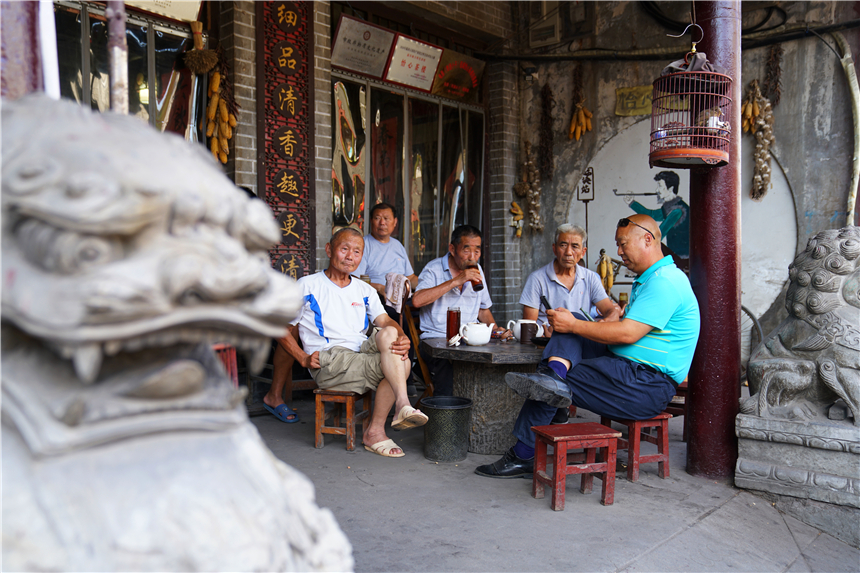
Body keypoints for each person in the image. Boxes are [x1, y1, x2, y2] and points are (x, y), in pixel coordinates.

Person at [475, 215, 700, 478]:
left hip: (644, 384)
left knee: (553, 372)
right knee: (572, 326)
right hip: (624, 369)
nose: (618, 251)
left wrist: (573, 326)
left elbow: (627, 333)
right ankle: (553, 385)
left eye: (622, 244)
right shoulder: (652, 278)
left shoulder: (665, 282)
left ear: (647, 239)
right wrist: (573, 324)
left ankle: (525, 452)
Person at [264, 227, 427, 458]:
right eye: (344, 249)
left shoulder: (364, 289)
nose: (350, 256)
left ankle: (399, 406)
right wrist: (302, 357)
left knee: (392, 338)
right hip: (330, 359)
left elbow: (385, 320)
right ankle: (378, 429)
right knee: (402, 365)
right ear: (329, 249)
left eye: (357, 252)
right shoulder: (307, 285)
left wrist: (402, 338)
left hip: (359, 352)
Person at [519, 224, 621, 423]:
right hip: (546, 345)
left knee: (571, 322)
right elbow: (529, 325)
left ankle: (554, 393)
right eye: (563, 245)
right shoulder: (538, 279)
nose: (568, 252)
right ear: (554, 248)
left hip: (580, 344)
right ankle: (557, 406)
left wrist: (605, 322)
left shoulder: (590, 278)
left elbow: (610, 310)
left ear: (583, 252)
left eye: (575, 246)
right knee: (564, 329)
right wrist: (544, 330)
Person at [412, 225, 512, 396]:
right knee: (449, 369)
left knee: (499, 362)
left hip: (468, 341)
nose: (472, 257)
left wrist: (495, 330)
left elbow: (483, 311)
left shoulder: (477, 270)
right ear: (452, 249)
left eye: (477, 251)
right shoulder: (433, 269)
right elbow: (417, 301)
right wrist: (457, 280)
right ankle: (446, 418)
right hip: (436, 340)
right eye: (466, 250)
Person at [354, 202, 419, 319]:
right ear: (371, 221)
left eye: (386, 218)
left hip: (403, 298)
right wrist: (379, 287)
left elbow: (411, 278)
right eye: (377, 218)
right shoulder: (363, 245)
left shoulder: (397, 245)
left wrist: (429, 286)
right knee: (400, 316)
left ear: (395, 222)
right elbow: (354, 280)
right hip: (378, 298)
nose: (382, 223)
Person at [624, 171, 690, 259]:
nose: (657, 190)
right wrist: (632, 203)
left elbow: (659, 233)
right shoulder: (671, 207)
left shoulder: (677, 210)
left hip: (682, 258)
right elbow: (651, 215)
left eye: (660, 186)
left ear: (670, 189)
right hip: (676, 257)